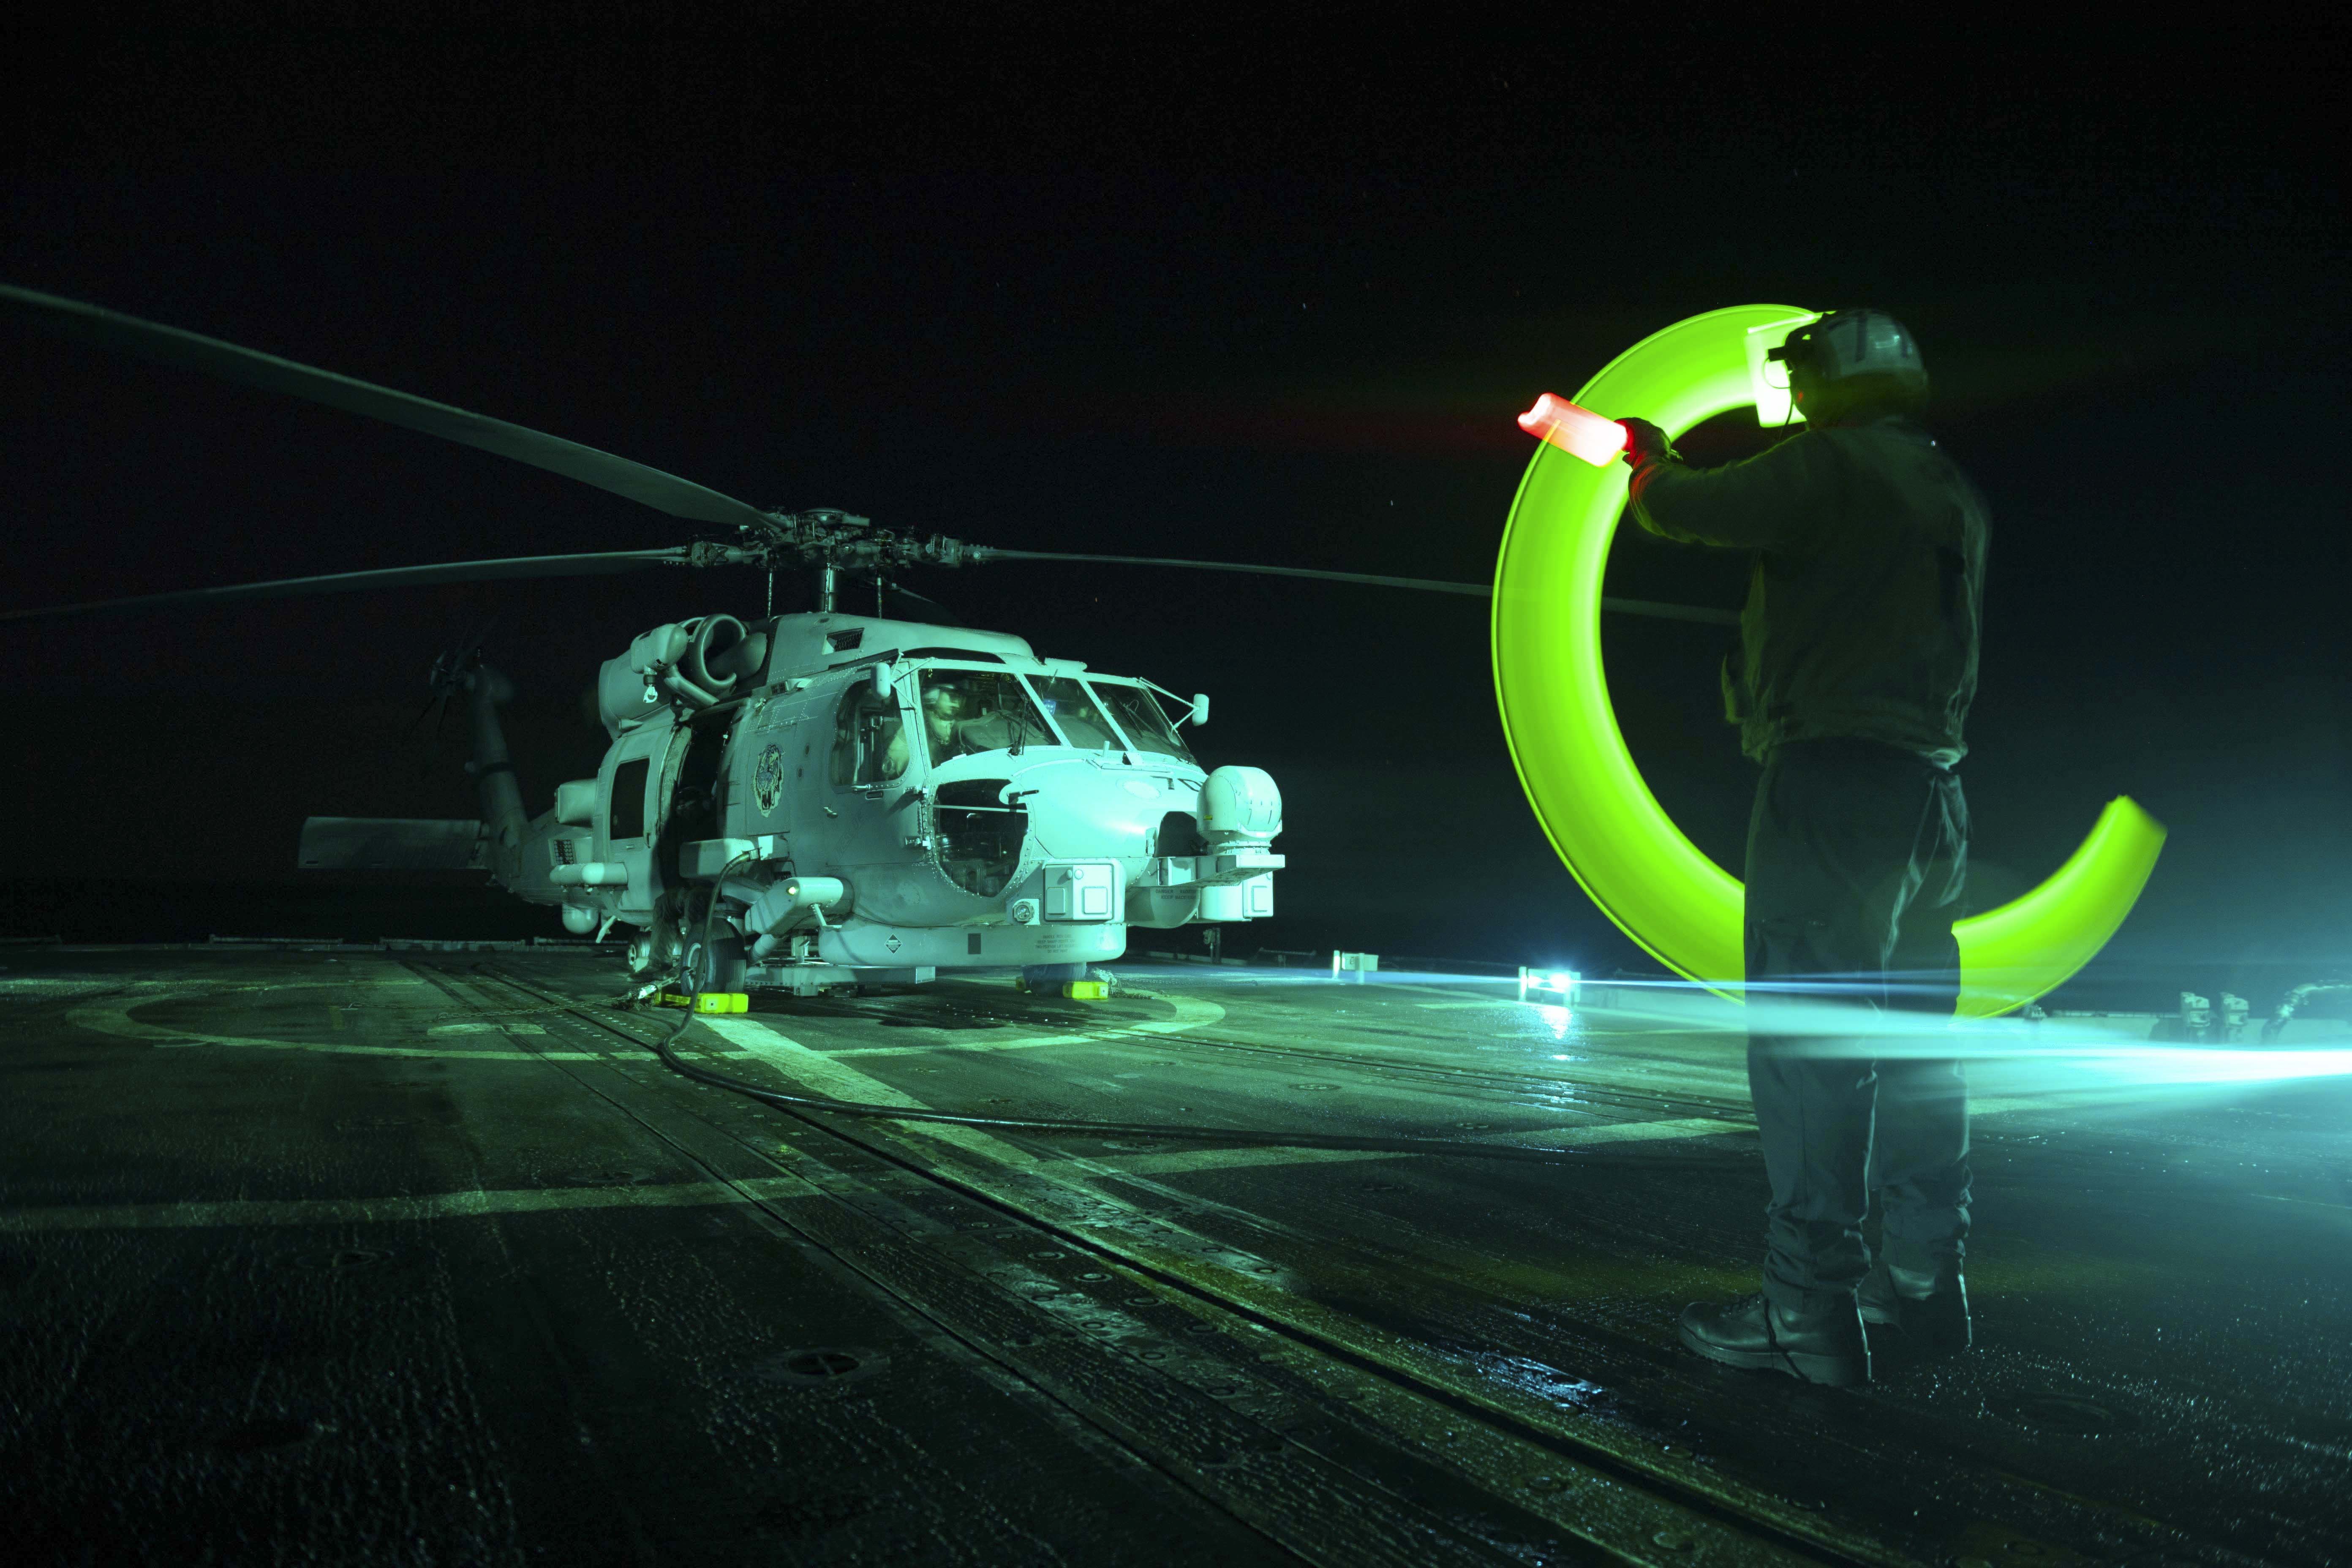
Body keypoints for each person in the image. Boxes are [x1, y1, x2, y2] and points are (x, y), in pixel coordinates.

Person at [1619, 308, 1988, 1386]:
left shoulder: (1830, 466)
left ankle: (1805, 1310)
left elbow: (1687, 508)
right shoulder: (1949, 487)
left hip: (1831, 784)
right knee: (1919, 1045)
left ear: (1830, 380)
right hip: (1933, 792)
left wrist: (1647, 458)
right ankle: (1925, 1278)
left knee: (1808, 1045)